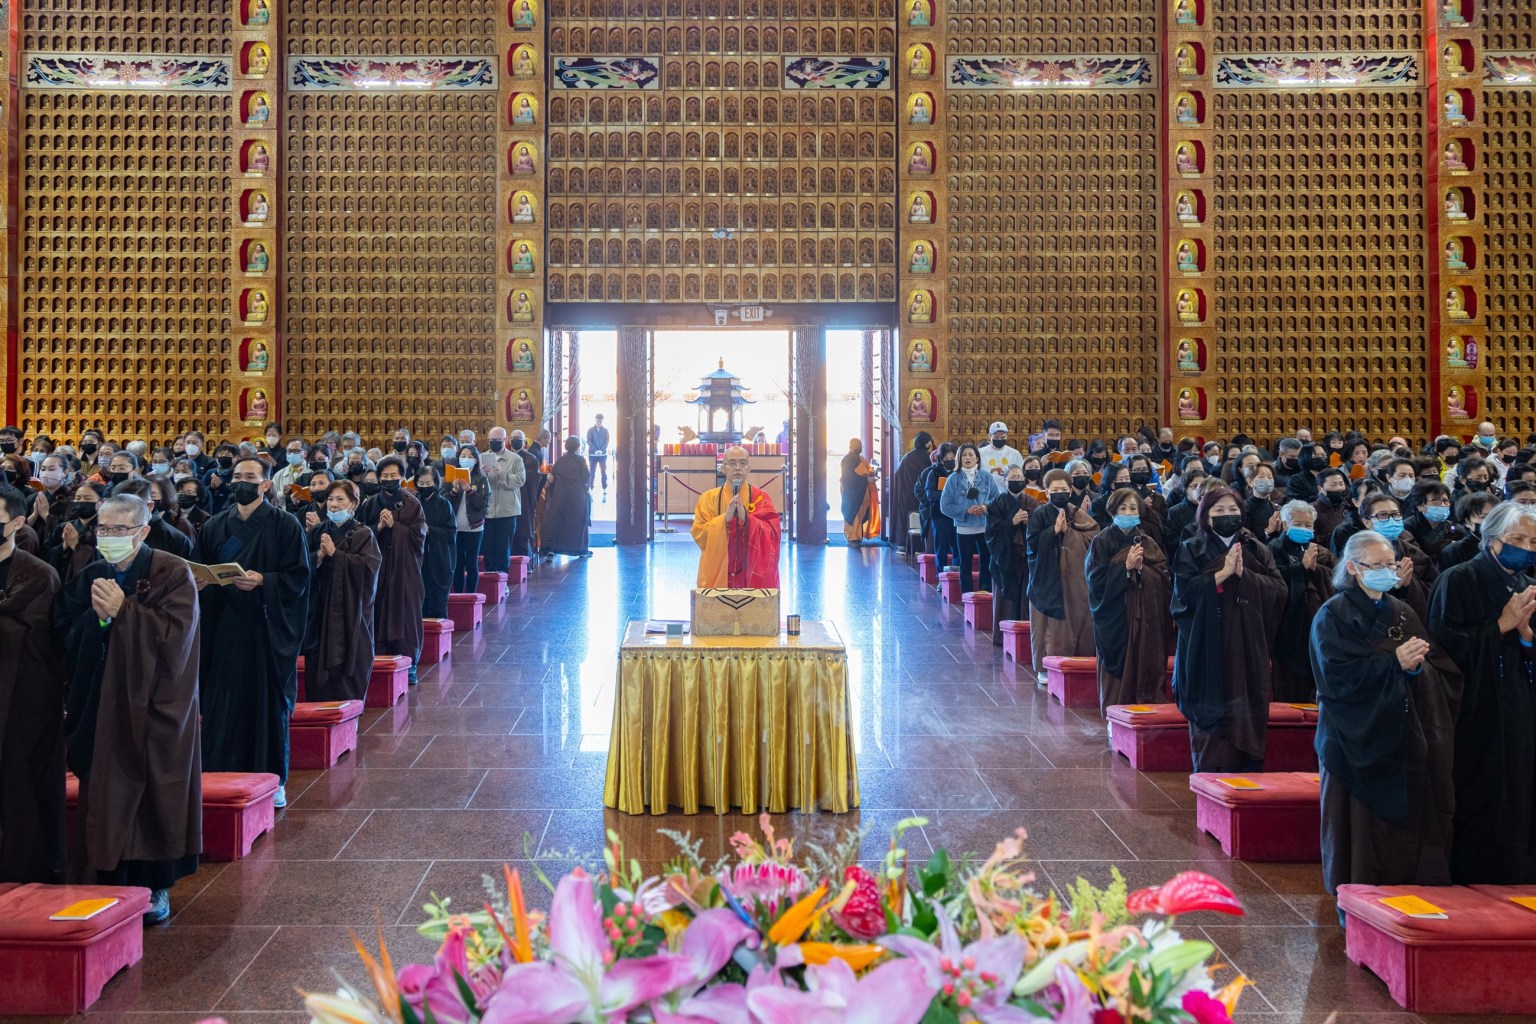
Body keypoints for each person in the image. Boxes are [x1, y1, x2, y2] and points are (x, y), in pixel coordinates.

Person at [54, 494, 201, 924]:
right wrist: (100, 622)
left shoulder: (172, 572)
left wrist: (125, 613)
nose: (110, 537)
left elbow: (178, 639)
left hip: (155, 705)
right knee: (104, 789)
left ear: (143, 531)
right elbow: (64, 626)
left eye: (120, 530)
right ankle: (102, 876)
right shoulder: (94, 572)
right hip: (102, 701)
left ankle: (155, 886)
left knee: (153, 791)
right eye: (103, 529)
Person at [1311, 531, 1461, 899]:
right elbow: (1335, 676)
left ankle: (1402, 893)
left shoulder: (1403, 611)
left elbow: (1436, 665)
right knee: (1359, 827)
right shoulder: (1333, 614)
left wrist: (1414, 669)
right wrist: (1393, 662)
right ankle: (1356, 895)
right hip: (1352, 734)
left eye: (1390, 565)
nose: (1385, 572)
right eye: (1375, 566)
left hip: (1403, 730)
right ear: (1353, 568)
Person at [1428, 501, 1536, 883]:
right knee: (1480, 788)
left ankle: (1517, 875)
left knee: (1521, 784)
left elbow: (1529, 648)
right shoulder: (1459, 579)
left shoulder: (1526, 585)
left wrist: (1526, 639)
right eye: (1517, 539)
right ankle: (1473, 876)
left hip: (1518, 703)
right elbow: (1443, 647)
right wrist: (1499, 627)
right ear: (1492, 540)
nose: (1527, 547)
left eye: (1533, 541)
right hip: (1475, 705)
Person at [196, 457, 310, 808]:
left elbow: (299, 577)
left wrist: (264, 580)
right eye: (237, 477)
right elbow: (201, 567)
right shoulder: (215, 525)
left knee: (265, 706)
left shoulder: (285, 525)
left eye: (250, 477)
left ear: (265, 485)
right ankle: (218, 777)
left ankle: (273, 779)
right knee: (222, 705)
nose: (241, 482)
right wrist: (199, 582)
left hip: (265, 630)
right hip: (224, 628)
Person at [1170, 485, 1287, 772]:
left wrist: (1244, 576)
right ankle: (1210, 776)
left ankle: (1246, 772)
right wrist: (1218, 577)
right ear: (1205, 515)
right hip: (1205, 645)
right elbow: (1181, 598)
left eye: (1233, 510)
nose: (1227, 515)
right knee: (1210, 712)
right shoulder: (1191, 548)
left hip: (1247, 644)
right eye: (1219, 510)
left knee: (1247, 707)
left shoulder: (1256, 548)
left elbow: (1279, 591)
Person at [0, 484, 68, 884]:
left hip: (23, 702)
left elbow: (45, 640)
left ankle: (29, 872)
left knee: (23, 787)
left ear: (19, 522)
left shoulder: (39, 574)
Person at [1085, 487, 1173, 712]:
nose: (1128, 512)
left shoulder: (1147, 542)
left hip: (1143, 616)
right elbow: (1095, 580)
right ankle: (1114, 711)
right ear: (1113, 511)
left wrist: (1142, 570)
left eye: (1133, 508)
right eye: (1123, 508)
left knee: (1143, 659)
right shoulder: (1101, 541)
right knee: (1117, 661)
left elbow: (1163, 577)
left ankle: (1142, 705)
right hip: (1114, 616)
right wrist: (1124, 569)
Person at [302, 480, 381, 702]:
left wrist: (336, 555)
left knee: (350, 655)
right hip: (319, 609)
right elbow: (299, 568)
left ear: (353, 504)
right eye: (330, 499)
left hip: (350, 609)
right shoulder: (316, 531)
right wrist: (317, 556)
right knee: (316, 658)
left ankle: (349, 709)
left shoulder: (363, 534)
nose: (334, 505)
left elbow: (369, 570)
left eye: (340, 499)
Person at [1026, 468, 1100, 675]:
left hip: (1074, 578)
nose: (1060, 493)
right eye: (1055, 490)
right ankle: (1044, 668)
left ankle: (1076, 663)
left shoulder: (1076, 512)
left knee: (1076, 619)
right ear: (1047, 493)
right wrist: (1054, 531)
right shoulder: (1039, 514)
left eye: (1064, 490)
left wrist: (1070, 533)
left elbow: (1094, 535)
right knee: (1046, 626)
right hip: (1046, 578)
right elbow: (1031, 544)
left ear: (1069, 491)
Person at [359, 455, 427, 680]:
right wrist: (377, 526)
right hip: (377, 568)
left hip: (403, 569)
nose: (389, 479)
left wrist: (395, 527)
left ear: (402, 477)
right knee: (376, 609)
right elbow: (359, 533)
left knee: (404, 610)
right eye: (384, 476)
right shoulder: (370, 503)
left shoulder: (411, 503)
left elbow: (419, 536)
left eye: (393, 476)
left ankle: (409, 663)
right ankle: (376, 659)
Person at [1267, 500, 1334, 702]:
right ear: (1285, 525)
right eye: (1298, 524)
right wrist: (1300, 570)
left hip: (1315, 621)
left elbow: (1333, 578)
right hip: (1288, 625)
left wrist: (1315, 570)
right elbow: (1273, 584)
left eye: (1308, 525)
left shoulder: (1318, 551)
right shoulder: (1274, 548)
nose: (1304, 529)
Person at [691, 443, 777, 586]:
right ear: (723, 468)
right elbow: (698, 533)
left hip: (750, 571)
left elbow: (772, 535)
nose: (737, 468)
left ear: (749, 468)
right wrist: (724, 520)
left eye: (743, 463)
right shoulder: (708, 498)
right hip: (718, 571)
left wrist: (747, 519)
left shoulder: (761, 497)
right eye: (732, 463)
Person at [985, 465, 1036, 644]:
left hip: (1025, 559)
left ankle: (1024, 637)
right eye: (1013, 478)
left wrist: (1030, 523)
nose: (1017, 481)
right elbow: (991, 533)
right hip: (1004, 558)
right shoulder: (995, 504)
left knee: (1025, 596)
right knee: (1004, 599)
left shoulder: (1032, 502)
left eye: (1020, 477)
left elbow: (1040, 529)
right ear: (1005, 481)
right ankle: (1002, 638)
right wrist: (1011, 523)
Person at [940, 442, 1000, 594]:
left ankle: (985, 591)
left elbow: (997, 500)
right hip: (964, 528)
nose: (968, 458)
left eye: (971, 455)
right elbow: (945, 506)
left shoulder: (986, 477)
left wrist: (985, 507)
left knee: (986, 562)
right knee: (965, 563)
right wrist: (965, 510)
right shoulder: (953, 479)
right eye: (964, 455)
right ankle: (966, 594)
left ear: (977, 459)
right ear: (959, 459)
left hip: (984, 527)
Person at [479, 426, 527, 575]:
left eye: (497, 440)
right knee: (488, 548)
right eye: (491, 440)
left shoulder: (515, 458)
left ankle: (502, 579)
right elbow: (473, 483)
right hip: (487, 510)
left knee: (503, 548)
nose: (494, 443)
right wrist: (481, 474)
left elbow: (520, 480)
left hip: (507, 510)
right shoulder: (481, 457)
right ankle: (489, 578)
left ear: (505, 440)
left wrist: (502, 474)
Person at [113, 478, 195, 558]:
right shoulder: (107, 531)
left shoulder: (176, 539)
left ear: (149, 506)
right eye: (118, 508)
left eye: (129, 508)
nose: (122, 514)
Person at [415, 463, 456, 620]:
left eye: (428, 483)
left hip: (439, 556)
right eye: (421, 483)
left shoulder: (444, 504)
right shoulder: (413, 502)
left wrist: (430, 529)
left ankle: (440, 630)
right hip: (418, 555)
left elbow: (451, 531)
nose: (425, 487)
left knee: (437, 594)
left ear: (436, 484)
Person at [448, 444, 489, 595]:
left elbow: (483, 505)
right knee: (457, 564)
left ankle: (471, 595)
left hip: (474, 527)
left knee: (472, 563)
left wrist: (470, 491)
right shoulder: (451, 476)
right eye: (463, 456)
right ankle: (458, 594)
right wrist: (453, 490)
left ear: (476, 460)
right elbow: (444, 502)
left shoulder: (481, 478)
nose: (466, 459)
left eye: (470, 456)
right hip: (455, 528)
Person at [890, 431, 933, 549]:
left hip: (906, 494)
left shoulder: (907, 457)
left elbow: (897, 475)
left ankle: (904, 543)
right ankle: (923, 545)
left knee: (906, 517)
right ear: (927, 443)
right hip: (924, 495)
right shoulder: (929, 457)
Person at [920, 443, 957, 570]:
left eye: (953, 460)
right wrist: (948, 494)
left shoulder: (959, 473)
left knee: (958, 547)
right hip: (939, 515)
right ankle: (941, 575)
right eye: (946, 460)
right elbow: (930, 495)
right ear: (941, 460)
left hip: (957, 515)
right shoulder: (934, 473)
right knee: (941, 547)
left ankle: (957, 574)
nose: (950, 462)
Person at [839, 438, 879, 545]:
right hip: (851, 491)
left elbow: (868, 469)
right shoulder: (845, 461)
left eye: (860, 446)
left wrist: (872, 474)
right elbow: (849, 477)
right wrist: (866, 479)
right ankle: (852, 536)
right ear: (851, 447)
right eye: (857, 446)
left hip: (862, 490)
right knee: (853, 513)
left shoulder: (861, 459)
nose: (859, 448)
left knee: (861, 512)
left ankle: (858, 536)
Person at [510, 430, 542, 559]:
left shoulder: (531, 458)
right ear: (509, 441)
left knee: (523, 528)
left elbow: (535, 478)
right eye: (514, 438)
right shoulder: (506, 456)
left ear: (524, 442)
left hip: (525, 498)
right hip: (508, 497)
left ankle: (525, 558)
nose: (516, 441)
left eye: (519, 438)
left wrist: (518, 475)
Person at [586, 414, 611, 499]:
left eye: (600, 421)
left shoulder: (606, 431)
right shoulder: (590, 430)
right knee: (592, 472)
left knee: (603, 472)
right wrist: (595, 450)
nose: (599, 422)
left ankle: (604, 488)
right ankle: (590, 488)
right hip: (592, 455)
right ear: (595, 420)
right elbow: (588, 441)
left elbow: (607, 441)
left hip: (603, 454)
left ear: (602, 421)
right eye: (597, 421)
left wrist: (601, 450)